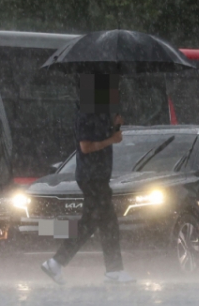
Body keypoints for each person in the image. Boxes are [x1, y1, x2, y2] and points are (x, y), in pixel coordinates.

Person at [41, 74, 135, 285]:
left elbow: (102, 137)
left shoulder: (100, 113)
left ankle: (58, 263)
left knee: (96, 222)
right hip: (91, 176)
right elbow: (86, 146)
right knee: (102, 222)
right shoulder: (86, 114)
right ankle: (111, 269)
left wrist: (115, 126)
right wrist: (112, 138)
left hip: (98, 175)